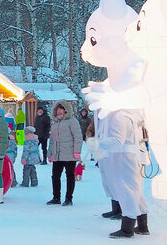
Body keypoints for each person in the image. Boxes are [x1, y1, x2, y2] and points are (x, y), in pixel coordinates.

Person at [87, 110, 150, 238]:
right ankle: (143, 226)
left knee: (127, 190)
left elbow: (117, 141)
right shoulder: (127, 114)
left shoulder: (118, 116)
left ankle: (127, 228)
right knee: (135, 191)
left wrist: (97, 144)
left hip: (126, 158)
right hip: (132, 156)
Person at [46, 100, 83, 207]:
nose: (59, 111)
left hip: (69, 153)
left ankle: (68, 198)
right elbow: (52, 140)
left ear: (66, 110)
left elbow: (78, 137)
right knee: (55, 176)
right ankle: (56, 197)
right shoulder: (55, 122)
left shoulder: (72, 121)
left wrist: (77, 151)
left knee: (70, 176)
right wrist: (50, 153)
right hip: (57, 154)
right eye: (57, 109)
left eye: (61, 109)